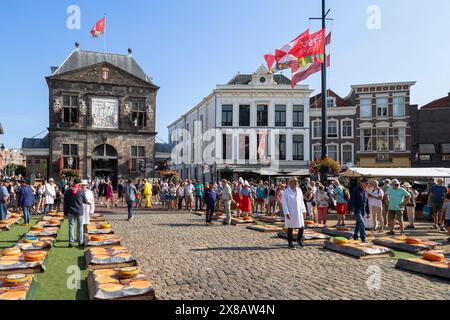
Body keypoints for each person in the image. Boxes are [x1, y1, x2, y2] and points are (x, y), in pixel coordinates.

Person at [64, 179, 89, 248]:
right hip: (79, 211)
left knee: (71, 227)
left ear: (73, 183)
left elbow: (65, 203)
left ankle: (71, 242)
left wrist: (65, 212)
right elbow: (85, 200)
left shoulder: (68, 191)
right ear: (79, 184)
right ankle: (80, 242)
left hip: (70, 211)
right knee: (80, 226)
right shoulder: (81, 191)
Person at [282, 178, 307, 250]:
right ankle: (290, 243)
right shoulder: (286, 191)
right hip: (290, 211)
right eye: (294, 182)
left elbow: (302, 201)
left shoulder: (299, 190)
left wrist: (304, 210)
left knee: (302, 226)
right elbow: (284, 203)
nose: (295, 183)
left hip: (299, 211)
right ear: (290, 183)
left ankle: (299, 240)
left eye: (296, 182)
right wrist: (286, 213)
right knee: (290, 227)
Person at [348, 178, 371, 243]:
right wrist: (351, 210)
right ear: (361, 183)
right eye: (366, 183)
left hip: (363, 211)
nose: (367, 185)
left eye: (367, 184)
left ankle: (355, 237)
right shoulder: (355, 190)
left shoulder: (366, 192)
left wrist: (368, 212)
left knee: (358, 225)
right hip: (357, 210)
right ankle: (363, 239)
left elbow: (366, 203)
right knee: (362, 224)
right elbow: (351, 200)